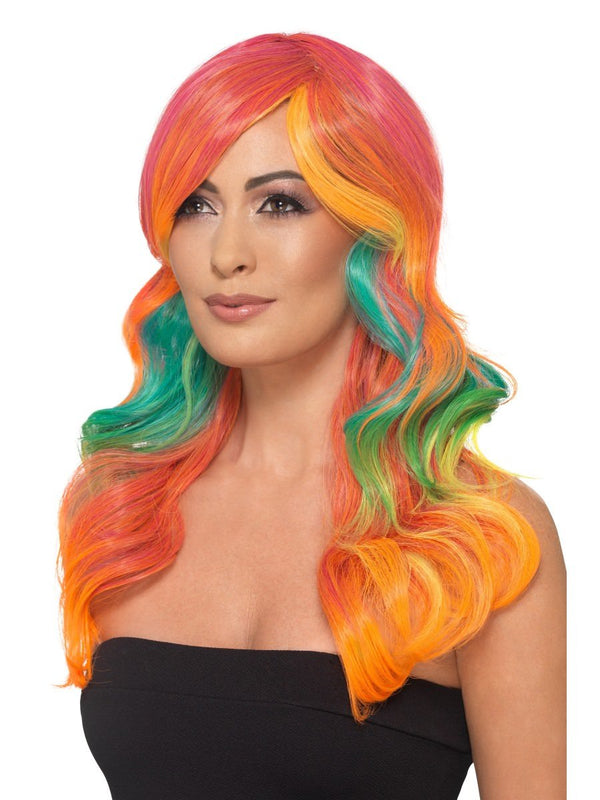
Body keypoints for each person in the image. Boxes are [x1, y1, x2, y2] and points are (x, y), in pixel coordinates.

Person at [58, 32, 566, 799]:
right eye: (197, 204)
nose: (226, 253)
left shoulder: (482, 536)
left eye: (280, 203)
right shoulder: (122, 507)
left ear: (375, 232)